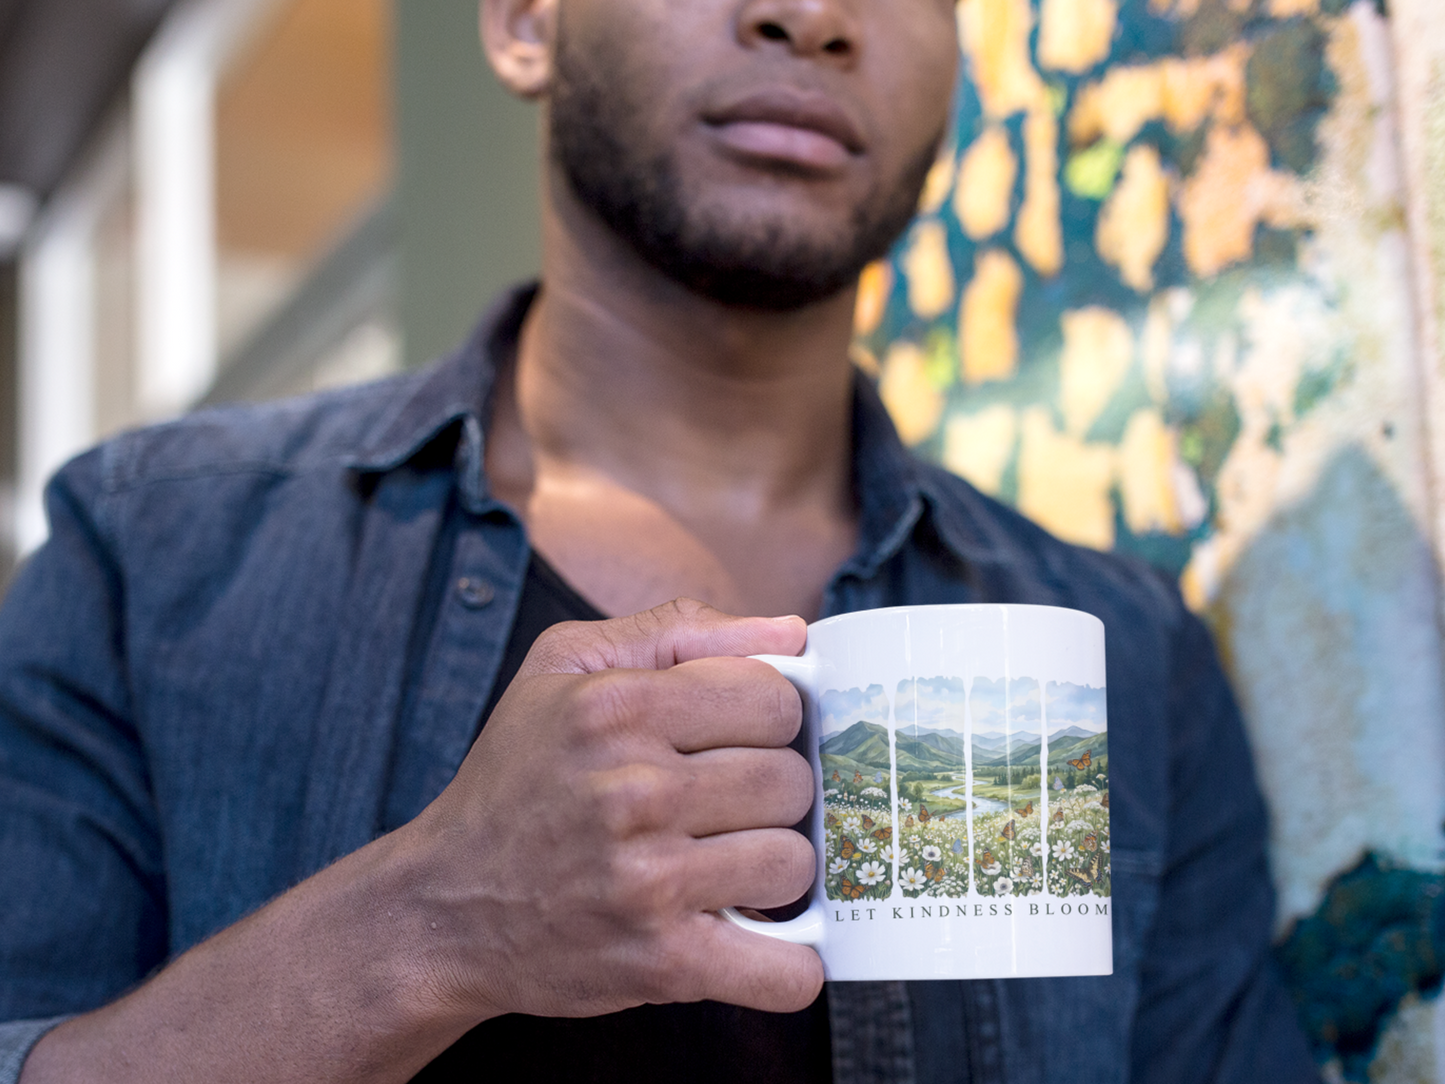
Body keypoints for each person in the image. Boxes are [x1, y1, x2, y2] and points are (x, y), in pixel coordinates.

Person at [0, 0, 1320, 1081]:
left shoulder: (1128, 656)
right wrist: (429, 924)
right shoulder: (152, 551)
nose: (810, 20)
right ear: (524, 24)